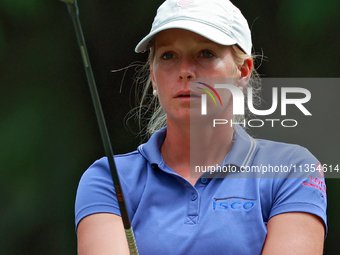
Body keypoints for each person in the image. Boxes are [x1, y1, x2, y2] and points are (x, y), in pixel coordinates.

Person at [75, 0, 327, 254]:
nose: (185, 71)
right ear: (153, 75)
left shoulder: (292, 169)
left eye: (206, 53)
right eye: (168, 55)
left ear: (242, 71)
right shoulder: (108, 179)